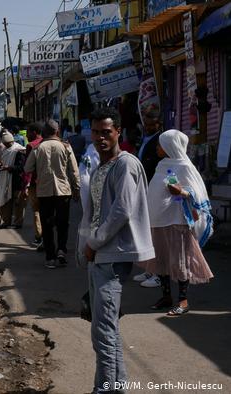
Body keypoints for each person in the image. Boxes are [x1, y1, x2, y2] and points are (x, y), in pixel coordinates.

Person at [82, 107, 155, 394]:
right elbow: (95, 211)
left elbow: (121, 210)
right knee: (105, 330)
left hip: (112, 255)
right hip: (99, 254)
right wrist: (85, 245)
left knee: (103, 332)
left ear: (118, 133)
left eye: (107, 132)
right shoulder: (101, 166)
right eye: (97, 132)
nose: (101, 137)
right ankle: (115, 387)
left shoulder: (126, 164)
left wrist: (93, 242)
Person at [140, 129, 214, 316]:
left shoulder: (185, 166)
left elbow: (197, 193)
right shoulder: (162, 165)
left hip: (177, 221)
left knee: (180, 262)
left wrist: (181, 192)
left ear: (169, 146)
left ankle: (183, 300)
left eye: (160, 145)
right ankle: (166, 297)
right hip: (158, 221)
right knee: (161, 260)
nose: (157, 148)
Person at [24, 119, 80, 269]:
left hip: (44, 192)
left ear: (44, 133)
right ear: (57, 131)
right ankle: (61, 250)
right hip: (64, 191)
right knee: (63, 223)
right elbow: (74, 171)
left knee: (47, 225)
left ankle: (50, 257)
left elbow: (27, 168)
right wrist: (76, 189)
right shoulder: (66, 146)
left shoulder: (38, 148)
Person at [134, 111, 164, 288]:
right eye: (145, 124)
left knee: (154, 235)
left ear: (158, 124)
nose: (147, 127)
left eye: (151, 124)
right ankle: (149, 268)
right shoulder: (145, 139)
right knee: (146, 233)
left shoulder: (160, 141)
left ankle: (157, 273)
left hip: (153, 191)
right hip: (144, 189)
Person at [0, 133, 27, 228]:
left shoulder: (19, 150)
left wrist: (9, 168)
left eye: (7, 144)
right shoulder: (6, 150)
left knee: (18, 203)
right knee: (6, 202)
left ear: (11, 142)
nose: (6, 146)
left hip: (17, 180)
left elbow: (22, 167)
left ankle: (18, 222)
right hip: (7, 180)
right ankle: (6, 221)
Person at [24, 122, 44, 250]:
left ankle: (39, 237)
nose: (26, 135)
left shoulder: (32, 146)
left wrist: (26, 185)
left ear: (34, 132)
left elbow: (28, 169)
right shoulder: (49, 143)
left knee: (37, 210)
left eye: (28, 132)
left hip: (35, 184)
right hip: (49, 183)